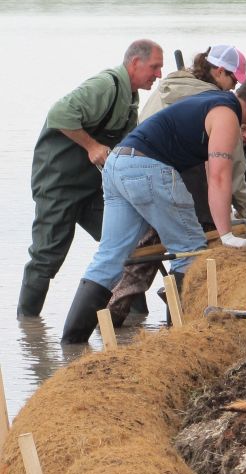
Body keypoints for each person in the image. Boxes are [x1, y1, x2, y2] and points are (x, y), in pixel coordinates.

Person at [61, 72, 246, 343]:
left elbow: (210, 169)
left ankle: (71, 343)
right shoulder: (227, 115)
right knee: (189, 251)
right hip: (148, 168)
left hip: (117, 163)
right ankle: (178, 340)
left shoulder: (212, 99)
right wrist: (225, 235)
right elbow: (220, 176)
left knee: (108, 259)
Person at [18, 39, 164, 318]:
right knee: (46, 257)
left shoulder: (130, 96)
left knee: (130, 247)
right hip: (58, 185)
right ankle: (28, 326)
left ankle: (135, 320)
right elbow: (59, 113)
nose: (158, 75)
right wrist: (92, 146)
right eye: (154, 67)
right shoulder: (105, 86)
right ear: (135, 63)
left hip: (92, 189)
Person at [139, 45, 246, 225]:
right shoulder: (217, 102)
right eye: (234, 80)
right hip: (169, 171)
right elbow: (233, 163)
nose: (234, 87)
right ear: (220, 71)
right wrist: (245, 211)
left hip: (135, 165)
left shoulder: (170, 85)